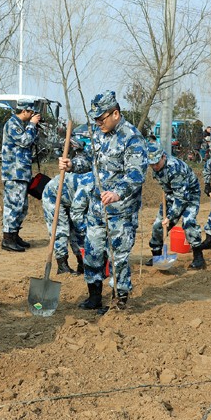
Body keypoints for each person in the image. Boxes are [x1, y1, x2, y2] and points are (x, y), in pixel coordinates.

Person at [58, 91, 148, 313]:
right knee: (93, 252)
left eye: (101, 118)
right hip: (97, 208)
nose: (98, 123)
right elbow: (89, 160)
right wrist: (71, 165)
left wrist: (118, 193)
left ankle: (119, 300)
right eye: (95, 119)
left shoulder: (132, 138)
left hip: (121, 211)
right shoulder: (99, 134)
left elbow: (136, 174)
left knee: (118, 257)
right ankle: (94, 296)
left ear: (115, 113)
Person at [146, 142, 206, 269]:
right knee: (158, 225)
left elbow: (181, 198)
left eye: (157, 163)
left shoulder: (175, 168)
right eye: (152, 164)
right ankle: (157, 256)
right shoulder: (155, 165)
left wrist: (170, 216)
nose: (155, 166)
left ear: (163, 157)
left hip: (189, 195)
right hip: (170, 194)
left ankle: (199, 257)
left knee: (188, 222)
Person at [41, 150, 93, 274]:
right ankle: (62, 265)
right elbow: (76, 215)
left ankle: (82, 263)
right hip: (53, 195)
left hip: (70, 196)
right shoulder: (88, 186)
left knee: (77, 232)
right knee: (61, 229)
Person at [0, 98, 40, 252]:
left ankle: (14, 235)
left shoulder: (20, 125)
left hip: (21, 173)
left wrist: (34, 128)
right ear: (24, 111)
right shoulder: (12, 124)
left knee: (21, 207)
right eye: (31, 112)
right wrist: (32, 125)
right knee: (13, 206)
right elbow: (24, 141)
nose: (32, 115)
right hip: (14, 173)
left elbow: (31, 141)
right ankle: (7, 239)